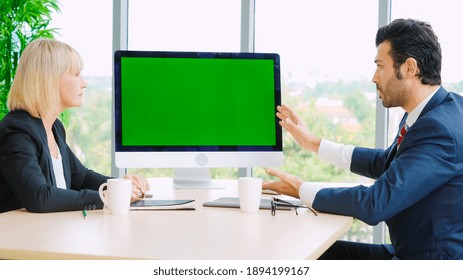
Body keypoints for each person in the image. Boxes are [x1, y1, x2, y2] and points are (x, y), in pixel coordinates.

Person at [263, 18, 463, 260]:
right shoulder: (434, 111)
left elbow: (375, 204)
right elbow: (384, 164)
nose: (374, 77)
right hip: (411, 253)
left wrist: (300, 188)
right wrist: (314, 144)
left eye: (380, 66)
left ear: (409, 68)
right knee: (312, 254)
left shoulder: (437, 128)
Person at [0, 38, 149, 213]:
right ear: (50, 79)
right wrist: (105, 198)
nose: (84, 83)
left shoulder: (54, 127)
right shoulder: (17, 132)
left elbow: (81, 177)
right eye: (77, 74)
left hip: (47, 233)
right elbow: (39, 197)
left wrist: (118, 187)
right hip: (21, 238)